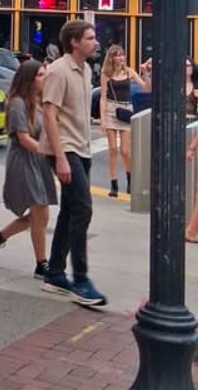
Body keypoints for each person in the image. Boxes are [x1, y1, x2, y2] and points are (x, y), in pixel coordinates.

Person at [39, 19, 107, 307]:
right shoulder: (58, 71)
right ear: (75, 42)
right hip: (65, 149)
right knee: (83, 208)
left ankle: (55, 273)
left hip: (82, 148)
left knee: (70, 210)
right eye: (90, 38)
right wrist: (60, 157)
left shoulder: (87, 69)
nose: (95, 42)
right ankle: (80, 278)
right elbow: (49, 115)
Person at [0, 59, 57, 278]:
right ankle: (41, 263)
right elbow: (23, 138)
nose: (44, 79)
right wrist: (50, 151)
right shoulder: (17, 103)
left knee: (40, 216)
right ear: (29, 79)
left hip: (39, 160)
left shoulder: (40, 101)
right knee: (40, 210)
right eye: (40, 75)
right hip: (24, 161)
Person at [99, 45, 149, 197]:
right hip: (110, 109)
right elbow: (103, 96)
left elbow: (147, 88)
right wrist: (102, 118)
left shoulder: (129, 72)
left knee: (125, 150)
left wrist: (146, 72)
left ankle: (130, 180)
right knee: (113, 149)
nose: (120, 58)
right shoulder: (106, 74)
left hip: (126, 109)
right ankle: (114, 184)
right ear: (111, 58)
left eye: (122, 55)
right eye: (117, 55)